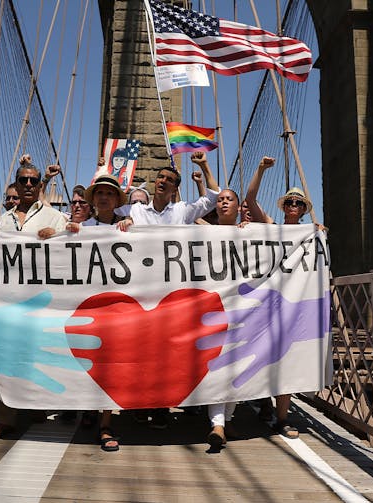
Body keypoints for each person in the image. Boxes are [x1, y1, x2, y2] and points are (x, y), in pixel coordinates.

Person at [117, 151, 220, 429]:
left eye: (169, 179)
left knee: (166, 353)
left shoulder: (183, 211)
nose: (162, 181)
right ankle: (139, 402)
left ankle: (161, 405)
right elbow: (103, 219)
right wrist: (122, 225)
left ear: (175, 187)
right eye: (159, 177)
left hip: (172, 295)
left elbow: (213, 197)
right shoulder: (135, 211)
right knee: (138, 350)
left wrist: (204, 164)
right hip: (140, 291)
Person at [0, 161, 67, 440]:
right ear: (16, 185)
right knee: (6, 356)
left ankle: (36, 404)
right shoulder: (4, 220)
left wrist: (57, 237)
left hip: (42, 297)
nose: (28, 185)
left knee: (38, 354)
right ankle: (4, 418)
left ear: (40, 184)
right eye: (23, 180)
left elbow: (71, 249)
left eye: (33, 181)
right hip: (9, 297)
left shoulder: (55, 217)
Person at [245, 156, 324, 439]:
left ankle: (281, 418)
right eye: (289, 202)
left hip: (295, 309)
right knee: (264, 358)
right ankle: (263, 400)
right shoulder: (271, 228)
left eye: (298, 203)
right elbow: (250, 200)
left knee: (288, 363)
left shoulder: (313, 235)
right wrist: (261, 169)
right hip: (266, 306)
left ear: (304, 210)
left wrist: (319, 235)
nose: (293, 206)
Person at [66, 174, 127, 451]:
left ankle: (105, 423)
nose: (104, 197)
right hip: (86, 306)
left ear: (117, 200)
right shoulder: (80, 228)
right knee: (87, 360)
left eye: (110, 194)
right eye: (99, 193)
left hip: (116, 308)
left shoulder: (128, 228)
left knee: (111, 365)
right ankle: (89, 409)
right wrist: (48, 236)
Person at [205, 188, 244, 448]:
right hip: (211, 311)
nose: (223, 203)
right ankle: (217, 424)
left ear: (238, 206)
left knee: (237, 368)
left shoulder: (250, 232)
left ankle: (226, 419)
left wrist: (314, 230)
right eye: (219, 200)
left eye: (229, 199)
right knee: (217, 367)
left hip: (242, 310)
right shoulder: (202, 233)